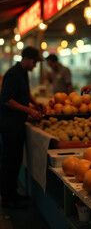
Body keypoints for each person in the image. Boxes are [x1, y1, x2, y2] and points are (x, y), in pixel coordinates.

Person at [0, 46, 46, 209]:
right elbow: (6, 99)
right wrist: (29, 110)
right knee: (9, 162)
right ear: (26, 59)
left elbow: (24, 93)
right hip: (10, 125)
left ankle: (13, 193)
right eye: (34, 62)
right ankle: (6, 198)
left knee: (16, 160)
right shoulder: (12, 74)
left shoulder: (23, 73)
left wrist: (35, 103)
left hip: (18, 124)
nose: (35, 66)